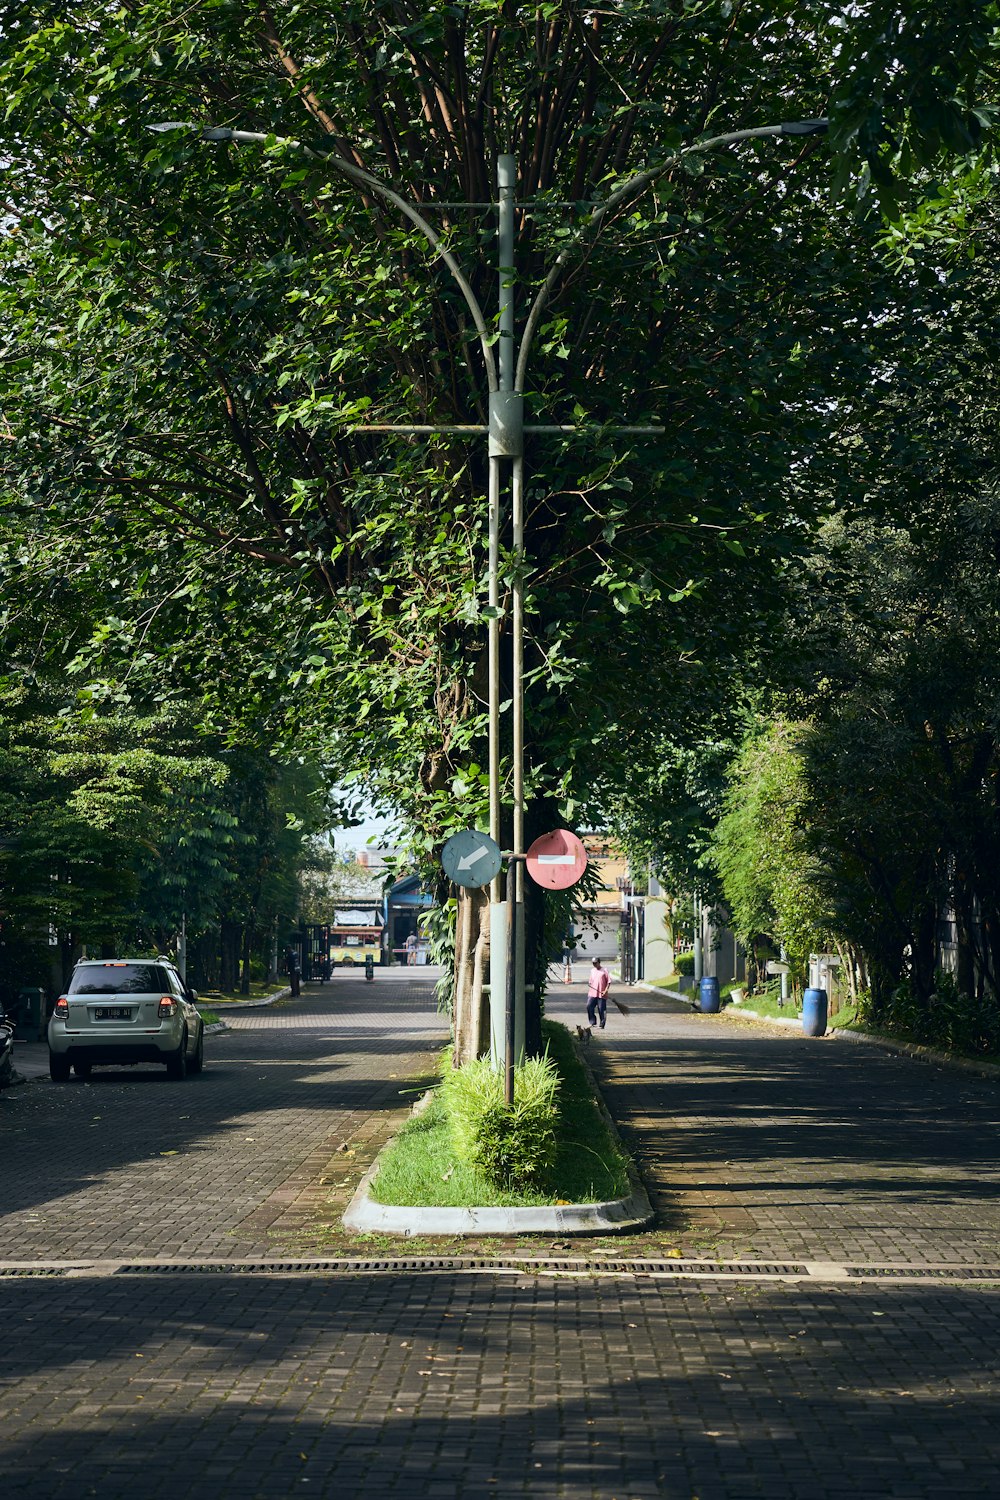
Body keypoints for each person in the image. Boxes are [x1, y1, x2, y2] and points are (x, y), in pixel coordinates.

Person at [587, 956, 611, 1030]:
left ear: (599, 962)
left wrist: (606, 991)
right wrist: (590, 984)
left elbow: (609, 982)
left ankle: (602, 1024)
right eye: (593, 963)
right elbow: (590, 981)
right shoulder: (592, 971)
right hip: (592, 993)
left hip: (602, 994)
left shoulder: (604, 970)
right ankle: (592, 1022)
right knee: (589, 1006)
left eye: (595, 963)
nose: (594, 964)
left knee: (601, 1009)